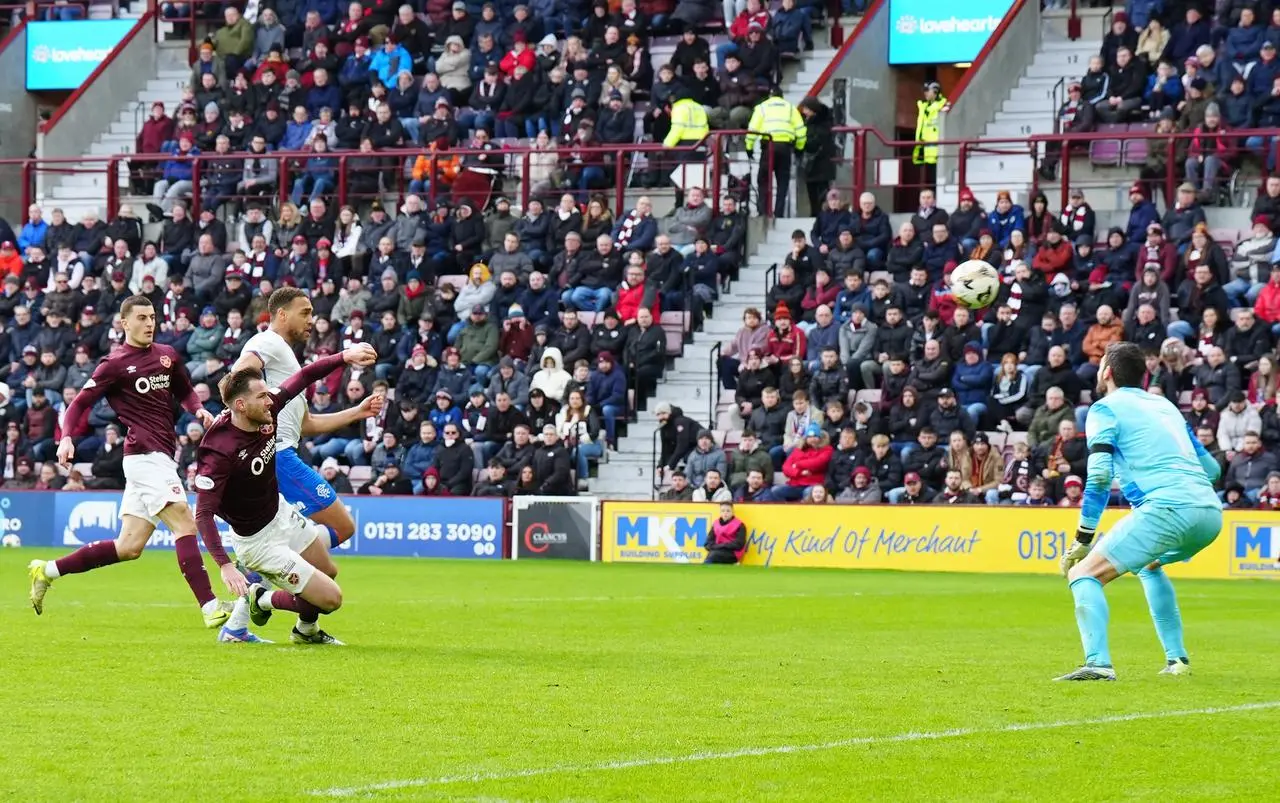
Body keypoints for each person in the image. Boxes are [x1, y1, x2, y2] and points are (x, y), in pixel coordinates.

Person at [28, 296, 230, 629]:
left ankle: (46, 571)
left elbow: (185, 390)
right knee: (184, 522)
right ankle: (209, 605)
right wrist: (66, 437)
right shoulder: (114, 364)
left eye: (152, 317)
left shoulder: (167, 356)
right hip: (143, 457)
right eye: (141, 318)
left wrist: (198, 410)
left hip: (160, 455)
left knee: (129, 546)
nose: (149, 323)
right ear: (124, 323)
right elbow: (79, 404)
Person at [1056, 342, 1224, 681]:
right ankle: (1177, 660)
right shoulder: (1166, 407)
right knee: (1148, 567)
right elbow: (1212, 470)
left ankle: (1098, 664)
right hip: (1209, 512)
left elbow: (1100, 475)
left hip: (1166, 509)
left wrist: (1083, 538)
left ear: (1106, 373)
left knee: (1083, 574)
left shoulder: (1104, 409)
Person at [196, 342, 377, 644]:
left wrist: (344, 356)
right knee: (331, 599)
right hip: (258, 542)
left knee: (327, 572)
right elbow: (202, 513)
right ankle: (262, 598)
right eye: (262, 396)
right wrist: (226, 566)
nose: (270, 400)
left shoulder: (268, 409)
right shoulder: (219, 451)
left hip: (280, 513)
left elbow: (305, 376)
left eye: (269, 393)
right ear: (240, 405)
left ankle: (305, 631)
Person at [232, 288, 385, 551]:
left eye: (312, 313)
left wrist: (357, 413)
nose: (311, 320)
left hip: (275, 453)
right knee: (343, 527)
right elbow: (240, 372)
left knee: (307, 556)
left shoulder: (286, 357)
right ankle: (258, 575)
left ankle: (256, 582)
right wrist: (258, 411)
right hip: (277, 454)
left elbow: (306, 424)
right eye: (304, 313)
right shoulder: (268, 342)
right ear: (281, 314)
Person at [745, 86, 806, 217]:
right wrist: (799, 149)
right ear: (782, 96)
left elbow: (752, 130)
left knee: (763, 180)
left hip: (768, 147)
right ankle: (778, 213)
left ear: (769, 96)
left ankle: (763, 212)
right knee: (782, 182)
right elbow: (801, 131)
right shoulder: (791, 108)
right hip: (785, 147)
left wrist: (749, 148)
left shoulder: (762, 107)